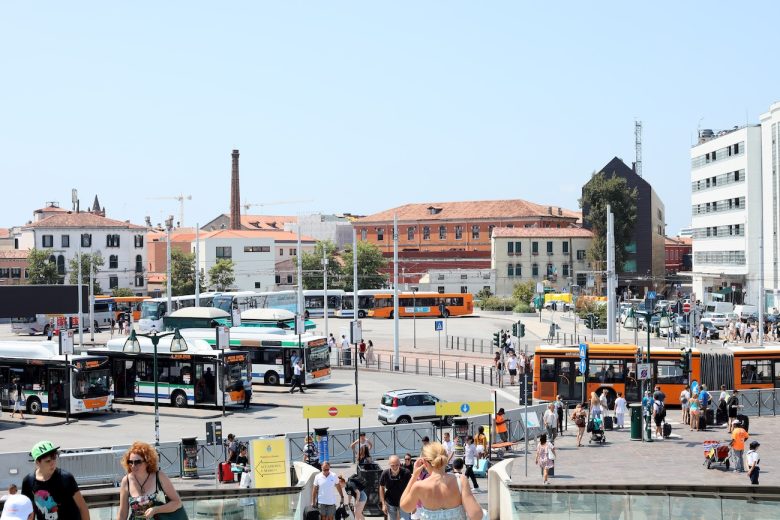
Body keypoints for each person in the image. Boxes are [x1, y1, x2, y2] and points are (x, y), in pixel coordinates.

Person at [399, 442, 482, 520]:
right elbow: (476, 515)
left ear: (424, 462)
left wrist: (414, 476)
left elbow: (405, 507)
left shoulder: (419, 486)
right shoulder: (460, 480)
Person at [22, 441, 89, 520]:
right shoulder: (28, 481)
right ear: (37, 462)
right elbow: (29, 511)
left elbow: (82, 507)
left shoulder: (65, 478)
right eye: (48, 461)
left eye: (54, 458)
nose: (53, 463)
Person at [116, 441, 183, 520]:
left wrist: (156, 510)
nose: (133, 466)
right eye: (130, 462)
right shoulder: (126, 481)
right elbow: (122, 514)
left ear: (148, 462)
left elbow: (177, 503)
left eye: (137, 462)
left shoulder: (159, 476)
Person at [379, 455, 412, 520]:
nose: (395, 467)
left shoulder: (406, 473)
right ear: (389, 464)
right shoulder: (385, 473)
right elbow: (381, 487)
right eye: (392, 465)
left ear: (400, 463)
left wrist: (413, 503)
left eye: (397, 465)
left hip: (404, 500)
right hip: (390, 502)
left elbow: (411, 487)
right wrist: (383, 504)